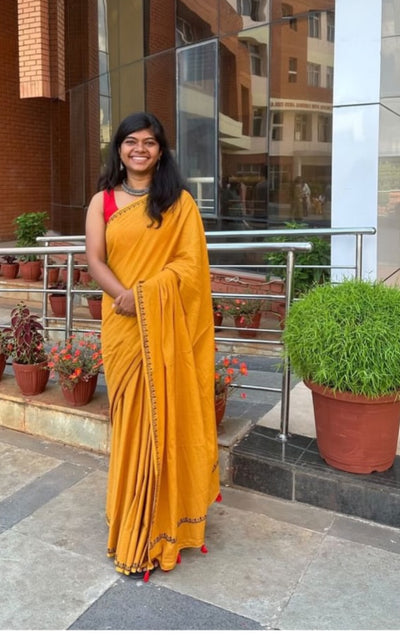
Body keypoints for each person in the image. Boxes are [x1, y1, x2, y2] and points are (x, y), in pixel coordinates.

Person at [85, 112, 220, 579]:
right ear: (119, 149)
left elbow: (191, 267)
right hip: (122, 328)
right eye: (131, 141)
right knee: (131, 424)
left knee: (164, 422)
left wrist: (144, 295)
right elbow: (95, 259)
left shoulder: (179, 203)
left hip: (162, 328)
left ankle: (163, 524)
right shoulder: (103, 201)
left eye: (149, 142)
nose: (139, 149)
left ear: (161, 151)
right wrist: (125, 297)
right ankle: (131, 515)